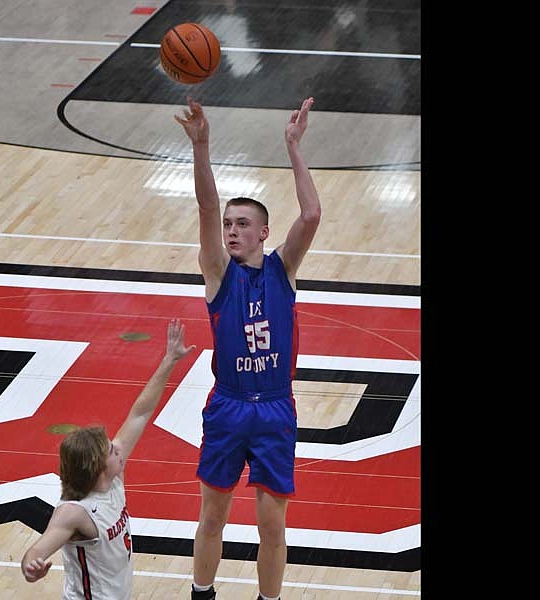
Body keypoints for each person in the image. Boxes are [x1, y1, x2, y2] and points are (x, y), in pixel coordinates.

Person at [174, 96, 321, 600]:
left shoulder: (283, 269)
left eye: (242, 224)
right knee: (212, 515)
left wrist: (293, 146)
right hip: (229, 405)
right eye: (228, 225)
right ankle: (201, 592)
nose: (231, 230)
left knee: (272, 527)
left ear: (263, 232)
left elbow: (313, 212)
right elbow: (207, 204)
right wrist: (202, 147)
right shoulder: (218, 274)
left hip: (276, 407)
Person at [20, 318, 196, 599]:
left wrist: (170, 359)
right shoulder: (74, 511)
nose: (118, 448)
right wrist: (31, 567)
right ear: (97, 468)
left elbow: (140, 412)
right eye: (110, 451)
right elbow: (36, 551)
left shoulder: (112, 477)